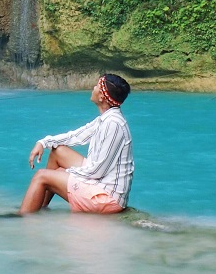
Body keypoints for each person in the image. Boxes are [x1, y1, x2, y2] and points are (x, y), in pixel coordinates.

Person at [18, 74, 133, 215]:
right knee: (57, 151)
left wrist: (64, 173)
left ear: (102, 96)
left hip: (106, 197)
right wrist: (43, 142)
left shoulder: (113, 125)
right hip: (100, 182)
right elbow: (75, 136)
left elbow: (97, 171)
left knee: (41, 175)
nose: (93, 87)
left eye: (97, 86)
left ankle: (22, 220)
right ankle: (38, 205)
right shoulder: (106, 119)